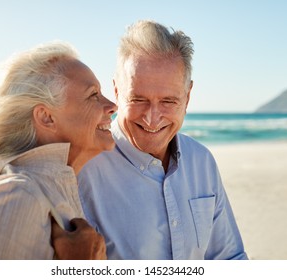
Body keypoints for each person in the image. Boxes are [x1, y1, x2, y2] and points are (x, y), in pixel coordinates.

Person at [77, 20, 248, 259]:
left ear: (187, 97)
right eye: (138, 99)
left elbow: (229, 258)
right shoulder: (82, 170)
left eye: (168, 101)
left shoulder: (202, 161)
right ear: (116, 91)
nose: (152, 118)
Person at [0, 42, 116, 259]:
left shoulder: (48, 189)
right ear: (46, 117)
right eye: (93, 94)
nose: (112, 105)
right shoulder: (17, 196)